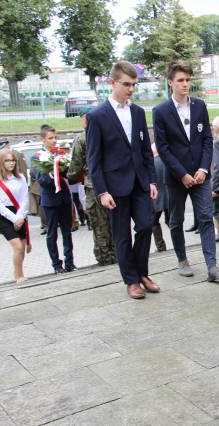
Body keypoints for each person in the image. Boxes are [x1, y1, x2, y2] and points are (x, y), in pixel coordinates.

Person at [87, 60, 160, 299]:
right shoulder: (97, 116)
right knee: (121, 236)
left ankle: (142, 273)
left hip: (139, 183)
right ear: (113, 83)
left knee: (146, 226)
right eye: (126, 84)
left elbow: (145, 151)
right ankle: (131, 280)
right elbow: (93, 159)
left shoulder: (138, 113)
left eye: (134, 85)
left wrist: (151, 180)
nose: (130, 89)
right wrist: (102, 191)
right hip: (114, 188)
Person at [153, 61, 219, 282]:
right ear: (171, 83)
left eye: (188, 80)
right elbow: (163, 148)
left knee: (206, 217)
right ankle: (182, 259)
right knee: (176, 220)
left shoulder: (199, 106)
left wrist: (204, 168)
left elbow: (207, 140)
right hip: (177, 177)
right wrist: (182, 174)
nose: (185, 84)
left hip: (200, 174)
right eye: (180, 80)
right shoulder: (161, 111)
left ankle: (212, 266)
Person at [67, 111, 116, 266]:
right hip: (115, 183)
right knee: (116, 223)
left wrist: (73, 175)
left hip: (93, 185)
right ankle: (120, 254)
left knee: (99, 225)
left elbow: (75, 167)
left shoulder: (82, 138)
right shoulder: (111, 133)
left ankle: (105, 259)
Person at [33, 125, 77, 275]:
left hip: (64, 198)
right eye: (50, 138)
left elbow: (68, 175)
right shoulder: (37, 156)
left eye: (55, 138)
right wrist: (53, 173)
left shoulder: (60, 155)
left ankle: (70, 262)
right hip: (50, 200)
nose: (54, 141)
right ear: (42, 139)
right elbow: (41, 180)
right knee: (52, 234)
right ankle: (56, 265)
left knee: (67, 232)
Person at [0, 149, 31, 284]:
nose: (11, 163)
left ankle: (18, 271)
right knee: (18, 246)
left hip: (20, 212)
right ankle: (19, 275)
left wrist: (20, 217)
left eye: (13, 160)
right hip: (5, 216)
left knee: (22, 248)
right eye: (7, 160)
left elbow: (25, 198)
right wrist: (14, 219)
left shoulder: (21, 177)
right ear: (1, 162)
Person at [151, 143, 169, 252]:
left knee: (154, 223)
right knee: (172, 222)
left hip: (156, 198)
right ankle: (178, 243)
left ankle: (161, 247)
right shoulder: (167, 161)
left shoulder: (151, 163)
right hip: (170, 197)